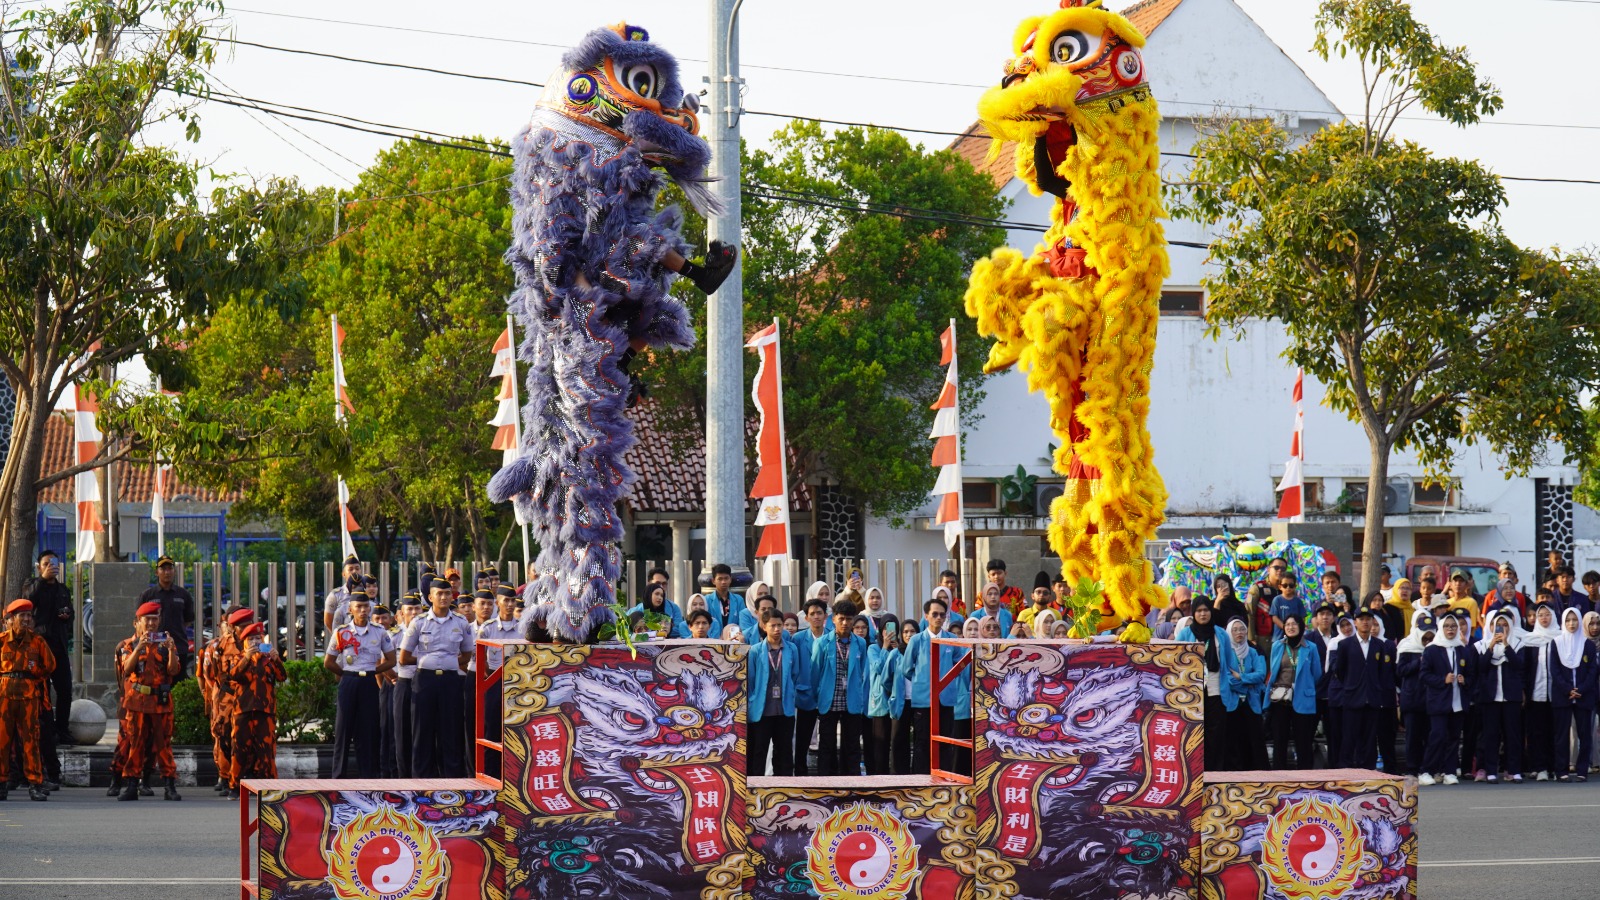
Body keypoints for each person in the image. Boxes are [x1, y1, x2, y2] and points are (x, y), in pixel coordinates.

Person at [398, 580, 475, 778]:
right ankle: (420, 783)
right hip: (425, 680)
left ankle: (453, 783)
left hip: (450, 681)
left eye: (448, 593)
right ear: (430, 597)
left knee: (451, 731)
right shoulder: (419, 622)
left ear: (452, 596)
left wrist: (448, 661)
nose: (444, 597)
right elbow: (403, 657)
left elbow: (467, 654)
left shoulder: (461, 622)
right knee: (422, 732)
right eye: (439, 594)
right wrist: (429, 659)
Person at [115, 601, 183, 801]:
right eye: (148, 619)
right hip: (137, 702)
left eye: (155, 619)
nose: (152, 623)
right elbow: (126, 670)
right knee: (135, 743)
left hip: (160, 702)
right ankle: (131, 785)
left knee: (163, 745)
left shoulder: (165, 643)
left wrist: (171, 651)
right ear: (139, 622)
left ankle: (169, 786)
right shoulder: (129, 645)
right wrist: (139, 649)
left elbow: (173, 671)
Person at [324, 593, 396, 779]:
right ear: (350, 609)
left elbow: (391, 659)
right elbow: (328, 662)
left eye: (366, 606)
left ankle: (369, 776)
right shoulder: (342, 632)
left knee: (369, 730)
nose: (363, 610)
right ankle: (338, 777)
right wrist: (346, 675)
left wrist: (375, 670)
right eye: (359, 607)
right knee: (343, 730)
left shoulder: (379, 631)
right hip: (349, 681)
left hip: (369, 682)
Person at [224, 621, 287, 798]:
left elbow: (282, 677)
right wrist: (246, 658)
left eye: (257, 638)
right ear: (244, 642)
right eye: (250, 639)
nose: (254, 643)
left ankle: (269, 787)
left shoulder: (269, 659)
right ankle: (234, 786)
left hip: (265, 711)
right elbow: (233, 675)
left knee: (266, 751)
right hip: (242, 711)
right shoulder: (237, 658)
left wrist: (276, 659)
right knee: (239, 750)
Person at [0, 599, 54, 801]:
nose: (26, 619)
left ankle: (35, 784)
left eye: (29, 616)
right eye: (21, 616)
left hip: (29, 696)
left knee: (31, 741)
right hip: (4, 695)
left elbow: (50, 665)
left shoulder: (37, 641)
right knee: (2, 742)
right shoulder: (2, 640)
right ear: (11, 619)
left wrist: (34, 675)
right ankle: (2, 783)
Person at [812, 599, 869, 777]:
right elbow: (815, 672)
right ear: (834, 619)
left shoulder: (860, 643)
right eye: (842, 618)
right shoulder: (822, 643)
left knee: (852, 745)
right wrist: (817, 696)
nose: (845, 623)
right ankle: (825, 784)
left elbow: (862, 671)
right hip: (829, 700)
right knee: (826, 745)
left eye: (849, 619)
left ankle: (852, 784)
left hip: (851, 700)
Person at [199, 607, 251, 795]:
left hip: (246, 699)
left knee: (242, 739)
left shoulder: (252, 645)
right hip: (224, 698)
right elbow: (209, 675)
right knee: (223, 737)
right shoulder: (216, 646)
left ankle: (238, 779)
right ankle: (225, 775)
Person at [24, 551, 73, 749]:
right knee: (42, 691)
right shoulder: (33, 584)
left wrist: (67, 617)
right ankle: (46, 731)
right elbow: (27, 600)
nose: (50, 567)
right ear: (39, 567)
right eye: (46, 563)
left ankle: (62, 730)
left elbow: (70, 613)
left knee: (65, 690)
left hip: (59, 646)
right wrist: (42, 580)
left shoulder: (63, 589)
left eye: (53, 563)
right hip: (39, 646)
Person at [900, 598, 953, 774]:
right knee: (922, 742)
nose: (939, 618)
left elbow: (960, 665)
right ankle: (920, 781)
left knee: (945, 742)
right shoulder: (916, 640)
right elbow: (906, 668)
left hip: (945, 699)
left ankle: (945, 780)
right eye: (935, 614)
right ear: (926, 616)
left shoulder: (952, 640)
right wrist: (921, 679)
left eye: (942, 615)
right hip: (923, 699)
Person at [1332, 609, 1391, 770]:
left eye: (1368, 619)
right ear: (1355, 622)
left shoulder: (1379, 645)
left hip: (1372, 697)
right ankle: (1346, 769)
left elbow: (1382, 672)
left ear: (1373, 622)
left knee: (1370, 737)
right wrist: (1352, 686)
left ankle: (1368, 769)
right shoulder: (1345, 644)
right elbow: (1340, 670)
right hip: (1352, 697)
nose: (1365, 622)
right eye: (1361, 619)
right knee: (1349, 736)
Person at [1471, 609, 1524, 784]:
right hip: (1490, 697)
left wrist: (1507, 645)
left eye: (1504, 625)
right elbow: (1481, 668)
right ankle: (1491, 770)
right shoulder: (1481, 646)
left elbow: (1518, 666)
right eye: (1497, 625)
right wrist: (1491, 646)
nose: (1501, 628)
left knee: (1513, 735)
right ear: (1491, 626)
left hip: (1511, 697)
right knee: (1491, 735)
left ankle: (1514, 770)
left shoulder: (1518, 644)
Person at [747, 609, 801, 777]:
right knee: (759, 752)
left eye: (780, 625)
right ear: (764, 626)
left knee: (784, 752)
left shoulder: (791, 649)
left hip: (784, 709)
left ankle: (783, 788)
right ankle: (757, 789)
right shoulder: (755, 651)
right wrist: (753, 700)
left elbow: (795, 674)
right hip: (762, 710)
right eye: (773, 625)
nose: (777, 629)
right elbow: (751, 680)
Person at [1175, 598, 1227, 772]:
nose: (1203, 614)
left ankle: (1215, 771)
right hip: (1192, 690)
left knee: (1216, 732)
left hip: (1215, 688)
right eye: (1199, 611)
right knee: (1195, 732)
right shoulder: (1184, 634)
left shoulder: (1220, 634)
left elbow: (1229, 662)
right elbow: (1178, 662)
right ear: (1193, 613)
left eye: (1206, 610)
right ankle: (1196, 771)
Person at [1421, 612, 1471, 785]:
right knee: (1438, 736)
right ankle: (1427, 770)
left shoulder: (1462, 649)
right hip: (1439, 701)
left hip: (1457, 701)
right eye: (1447, 626)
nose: (1450, 630)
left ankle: (1449, 772)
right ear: (1440, 629)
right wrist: (1442, 680)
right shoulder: (1432, 649)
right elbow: (1424, 675)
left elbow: (1472, 674)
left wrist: (1465, 680)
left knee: (1453, 738)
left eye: (1453, 626)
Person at [1268, 615, 1322, 769]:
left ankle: (1305, 776)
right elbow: (1273, 671)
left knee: (1303, 740)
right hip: (1281, 698)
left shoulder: (1311, 647)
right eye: (1287, 624)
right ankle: (1279, 776)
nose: (1290, 627)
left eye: (1294, 624)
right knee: (1280, 739)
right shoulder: (1277, 646)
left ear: (1301, 626)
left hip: (1303, 697)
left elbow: (1317, 673)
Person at [1551, 607, 1597, 782]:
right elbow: (1554, 670)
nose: (1571, 623)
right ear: (1563, 622)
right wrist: (1567, 689)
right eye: (1568, 620)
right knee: (1562, 735)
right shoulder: (1556, 642)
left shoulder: (1588, 644)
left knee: (1585, 735)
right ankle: (1561, 770)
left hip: (1584, 695)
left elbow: (1593, 670)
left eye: (1575, 620)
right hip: (1563, 696)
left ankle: (1582, 770)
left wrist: (1581, 689)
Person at [1221, 618, 1268, 770]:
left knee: (1255, 739)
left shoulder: (1253, 652)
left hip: (1251, 701)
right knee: (1233, 740)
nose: (1239, 633)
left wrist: (1241, 677)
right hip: (1233, 702)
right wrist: (1248, 683)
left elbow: (1261, 674)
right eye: (1235, 630)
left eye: (1242, 629)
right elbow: (1228, 679)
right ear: (1229, 632)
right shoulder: (1225, 653)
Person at [139, 555, 196, 679]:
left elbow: (188, 620)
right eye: (163, 569)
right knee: (154, 683)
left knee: (177, 685)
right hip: (153, 648)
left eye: (170, 569)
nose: (167, 572)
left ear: (174, 571)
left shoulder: (183, 595)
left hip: (178, 647)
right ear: (156, 572)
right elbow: (140, 620)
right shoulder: (147, 595)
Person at [1522, 602, 1562, 781]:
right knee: (1537, 732)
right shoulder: (1530, 640)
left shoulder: (1560, 638)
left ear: (1553, 616)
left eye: (1547, 614)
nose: (1544, 618)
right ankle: (1539, 767)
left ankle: (1554, 767)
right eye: (1541, 615)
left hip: (1556, 693)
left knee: (1555, 731)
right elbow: (1525, 668)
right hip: (1536, 693)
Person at [790, 595, 828, 776]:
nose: (816, 617)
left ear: (825, 615)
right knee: (803, 739)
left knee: (827, 740)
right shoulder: (797, 639)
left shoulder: (831, 637)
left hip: (828, 694)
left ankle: (825, 776)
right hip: (805, 694)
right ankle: (801, 774)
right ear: (806, 618)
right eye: (812, 614)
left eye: (819, 613)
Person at [1395, 611, 1435, 778]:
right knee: (1412, 737)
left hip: (1431, 699)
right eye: (1424, 638)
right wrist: (1418, 662)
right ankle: (1412, 768)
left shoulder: (1437, 648)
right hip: (1412, 699)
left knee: (1430, 736)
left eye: (1430, 638)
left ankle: (1427, 768)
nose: (1427, 642)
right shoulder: (1406, 646)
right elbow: (1400, 671)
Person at [866, 615, 901, 776]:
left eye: (892, 628)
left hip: (896, 701)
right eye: (886, 628)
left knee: (895, 744)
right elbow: (878, 668)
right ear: (880, 630)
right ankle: (879, 778)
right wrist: (885, 648)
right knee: (880, 745)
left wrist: (896, 650)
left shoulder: (900, 648)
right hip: (880, 702)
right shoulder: (873, 648)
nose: (889, 632)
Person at [391, 593, 421, 778]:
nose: (414, 612)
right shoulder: (395, 635)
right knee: (401, 735)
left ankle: (420, 778)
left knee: (421, 733)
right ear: (402, 613)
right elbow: (382, 660)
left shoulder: (428, 630)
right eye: (409, 609)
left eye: (417, 608)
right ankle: (403, 778)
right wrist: (393, 678)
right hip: (403, 683)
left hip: (424, 683)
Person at [890, 619, 919, 774]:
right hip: (901, 702)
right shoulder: (895, 653)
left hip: (919, 702)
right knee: (899, 741)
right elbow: (886, 679)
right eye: (906, 632)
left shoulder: (921, 651)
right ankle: (898, 775)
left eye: (912, 631)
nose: (909, 634)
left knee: (920, 740)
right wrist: (894, 693)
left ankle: (918, 774)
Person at [1248, 559, 1288, 655]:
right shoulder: (1258, 588)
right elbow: (1249, 613)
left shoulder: (1288, 589)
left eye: (1283, 568)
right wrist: (1251, 639)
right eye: (1276, 567)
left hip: (1283, 638)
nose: (1280, 571)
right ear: (1269, 569)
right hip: (1262, 639)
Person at [323, 554, 365, 631]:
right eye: (350, 569)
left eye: (357, 568)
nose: (354, 571)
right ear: (344, 574)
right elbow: (328, 621)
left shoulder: (367, 591)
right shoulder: (335, 595)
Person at [704, 563, 744, 636]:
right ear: (713, 581)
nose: (723, 582)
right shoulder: (706, 600)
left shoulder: (738, 600)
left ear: (730, 579)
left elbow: (742, 622)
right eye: (720, 579)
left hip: (733, 640)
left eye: (726, 578)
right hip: (713, 640)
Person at [1268, 574, 1306, 640]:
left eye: (1291, 585)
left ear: (1295, 586)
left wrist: (1296, 629)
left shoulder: (1298, 601)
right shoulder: (1277, 600)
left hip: (1295, 636)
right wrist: (1286, 627)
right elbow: (1274, 618)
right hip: (1279, 637)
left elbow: (1302, 618)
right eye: (1285, 585)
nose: (1288, 587)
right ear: (1280, 587)